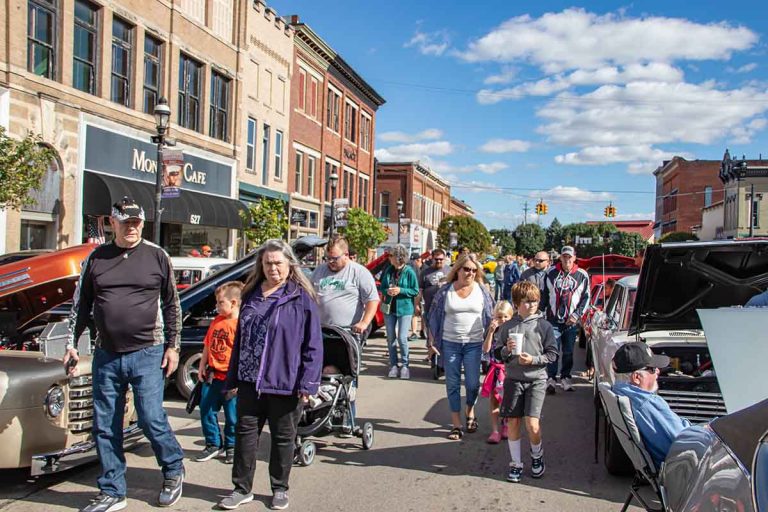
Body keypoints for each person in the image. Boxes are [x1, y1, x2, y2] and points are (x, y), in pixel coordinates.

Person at [64, 197, 185, 512]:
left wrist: (173, 346)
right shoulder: (96, 259)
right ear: (112, 223)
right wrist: (71, 344)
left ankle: (173, 469)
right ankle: (113, 491)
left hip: (148, 351)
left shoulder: (157, 256)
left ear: (142, 224)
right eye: (126, 222)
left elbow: (172, 304)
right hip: (107, 354)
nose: (132, 228)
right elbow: (81, 305)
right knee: (105, 424)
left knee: (150, 417)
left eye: (137, 223)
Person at [218, 239, 323, 511]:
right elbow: (240, 339)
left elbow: (313, 344)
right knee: (245, 435)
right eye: (268, 263)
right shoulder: (251, 292)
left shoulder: (301, 297)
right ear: (260, 265)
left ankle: (279, 488)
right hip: (249, 380)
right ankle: (241, 488)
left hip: (284, 380)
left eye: (278, 262)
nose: (273, 268)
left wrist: (308, 383)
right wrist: (232, 379)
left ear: (289, 264)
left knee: (283, 437)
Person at [494, 281, 558, 483]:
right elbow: (497, 352)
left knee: (532, 423)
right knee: (513, 421)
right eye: (526, 302)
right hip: (513, 379)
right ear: (516, 303)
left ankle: (537, 455)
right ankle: (516, 463)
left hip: (537, 380)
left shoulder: (544, 325)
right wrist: (506, 349)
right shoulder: (507, 326)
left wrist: (534, 360)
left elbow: (553, 354)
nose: (531, 305)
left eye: (535, 301)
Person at [427, 253, 494, 440]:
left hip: (474, 344)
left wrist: (494, 336)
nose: (470, 273)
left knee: (473, 385)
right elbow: (433, 316)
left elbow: (491, 316)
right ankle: (456, 425)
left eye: (474, 270)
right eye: (466, 269)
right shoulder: (445, 291)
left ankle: (470, 410)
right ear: (457, 270)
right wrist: (431, 343)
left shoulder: (482, 291)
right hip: (450, 343)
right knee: (453, 384)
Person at [612, 342, 690, 469]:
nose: (658, 371)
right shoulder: (647, 403)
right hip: (681, 466)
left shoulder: (618, 391)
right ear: (637, 377)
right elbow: (686, 440)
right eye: (652, 369)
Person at [196, 281, 243, 465]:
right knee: (206, 409)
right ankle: (213, 443)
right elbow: (208, 344)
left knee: (232, 416)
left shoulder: (239, 325)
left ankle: (232, 445)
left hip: (231, 378)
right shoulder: (217, 321)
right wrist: (202, 364)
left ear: (233, 303)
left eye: (220, 303)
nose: (216, 307)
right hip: (213, 375)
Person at [542, 245, 590, 393]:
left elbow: (586, 298)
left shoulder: (582, 275)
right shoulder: (550, 273)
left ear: (574, 258)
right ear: (560, 257)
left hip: (571, 321)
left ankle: (565, 377)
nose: (567, 259)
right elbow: (544, 295)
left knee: (568, 351)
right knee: (552, 350)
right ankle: (551, 378)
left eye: (570, 257)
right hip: (553, 320)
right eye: (564, 256)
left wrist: (576, 315)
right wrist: (538, 313)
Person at [312, 238, 380, 338]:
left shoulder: (359, 272)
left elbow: (372, 300)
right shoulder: (319, 271)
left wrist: (364, 323)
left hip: (347, 333)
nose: (330, 261)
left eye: (335, 258)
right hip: (320, 331)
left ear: (346, 255)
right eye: (327, 258)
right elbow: (308, 295)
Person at [379, 244, 419, 379]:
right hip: (389, 308)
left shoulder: (409, 272)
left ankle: (405, 365)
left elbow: (415, 290)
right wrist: (388, 291)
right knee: (390, 339)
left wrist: (401, 290)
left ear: (399, 257)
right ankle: (393, 365)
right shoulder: (389, 270)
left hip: (405, 309)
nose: (389, 258)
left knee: (402, 338)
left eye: (391, 255)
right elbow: (382, 287)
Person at [481, 300, 514, 444]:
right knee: (494, 400)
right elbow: (486, 349)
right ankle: (495, 430)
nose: (503, 320)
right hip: (495, 369)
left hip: (508, 370)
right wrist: (491, 332)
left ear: (511, 317)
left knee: (508, 400)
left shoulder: (514, 331)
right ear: (495, 317)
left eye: (506, 317)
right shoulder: (492, 330)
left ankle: (506, 424)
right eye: (500, 317)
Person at [419, 248, 451, 342]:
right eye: (436, 259)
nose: (439, 261)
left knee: (444, 333)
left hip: (446, 308)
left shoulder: (450, 271)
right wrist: (417, 304)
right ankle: (431, 354)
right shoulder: (425, 272)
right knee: (431, 332)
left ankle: (441, 355)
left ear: (444, 259)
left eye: (441, 259)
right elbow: (420, 289)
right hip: (429, 308)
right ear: (432, 259)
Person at [408, 253, 424, 340]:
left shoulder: (411, 266)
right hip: (416, 291)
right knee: (415, 313)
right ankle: (415, 332)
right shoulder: (415, 268)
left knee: (416, 313)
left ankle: (418, 331)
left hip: (415, 292)